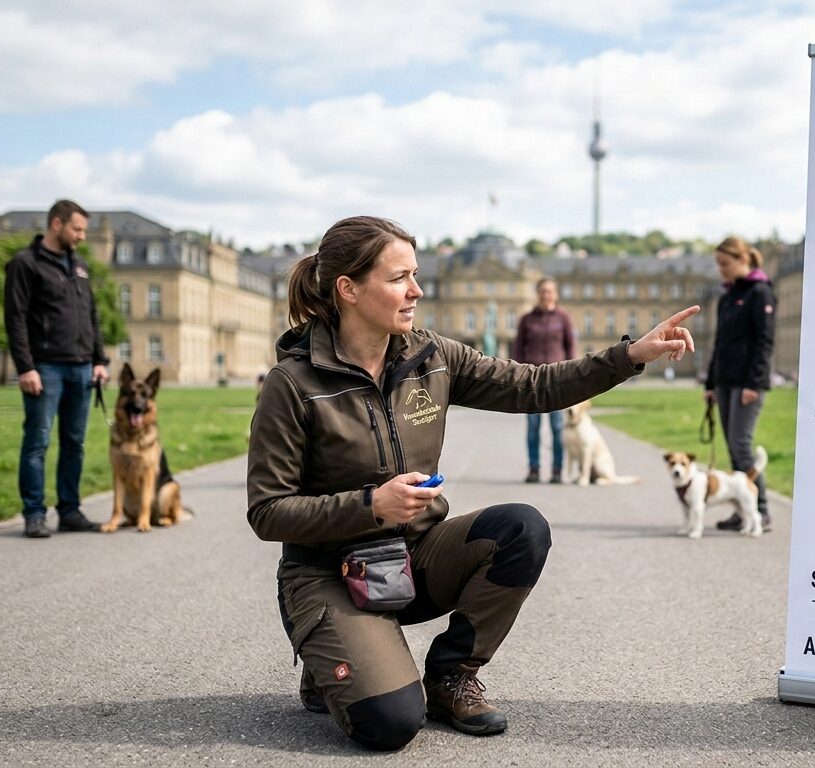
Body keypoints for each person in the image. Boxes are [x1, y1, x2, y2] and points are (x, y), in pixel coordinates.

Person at [246, 216, 697, 751]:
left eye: (416, 274)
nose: (417, 289)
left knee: (521, 529)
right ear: (347, 288)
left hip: (413, 556)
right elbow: (268, 511)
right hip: (330, 572)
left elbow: (534, 385)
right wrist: (372, 505)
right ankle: (334, 654)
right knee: (390, 724)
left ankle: (450, 673)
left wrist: (629, 355)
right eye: (398, 279)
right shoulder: (292, 384)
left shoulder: (431, 356)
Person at [3, 199, 110, 539]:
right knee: (38, 441)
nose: (81, 236)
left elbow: (90, 316)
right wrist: (26, 367)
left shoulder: (78, 266)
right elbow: (15, 319)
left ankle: (69, 510)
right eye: (77, 229)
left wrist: (98, 360)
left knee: (74, 443)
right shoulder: (25, 264)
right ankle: (34, 513)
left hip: (81, 368)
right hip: (45, 368)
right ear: (56, 224)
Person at [704, 236, 776, 532]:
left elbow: (764, 341)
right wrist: (710, 383)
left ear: (742, 259)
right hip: (724, 381)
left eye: (725, 263)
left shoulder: (760, 292)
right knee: (734, 450)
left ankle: (761, 510)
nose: (721, 269)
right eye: (718, 264)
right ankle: (741, 510)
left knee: (742, 447)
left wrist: (754, 383)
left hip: (748, 383)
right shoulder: (726, 297)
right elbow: (719, 344)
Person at [511, 277, 575, 483]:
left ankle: (557, 470)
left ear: (555, 294)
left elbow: (571, 349)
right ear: (537, 294)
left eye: (549, 291)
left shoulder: (563, 318)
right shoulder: (527, 319)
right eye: (543, 291)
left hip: (557, 381)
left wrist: (573, 377)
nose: (546, 295)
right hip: (532, 382)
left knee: (557, 429)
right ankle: (534, 468)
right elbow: (518, 349)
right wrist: (518, 377)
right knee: (532, 428)